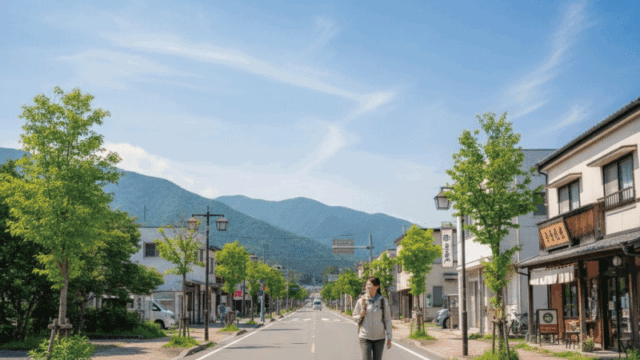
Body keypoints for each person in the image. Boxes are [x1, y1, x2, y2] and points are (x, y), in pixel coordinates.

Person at [353, 277, 392, 360]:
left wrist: (389, 336)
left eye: (369, 285)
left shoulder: (383, 301)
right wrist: (360, 315)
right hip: (365, 336)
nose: (367, 287)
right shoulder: (361, 301)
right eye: (366, 285)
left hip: (379, 337)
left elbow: (387, 320)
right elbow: (354, 316)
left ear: (377, 286)